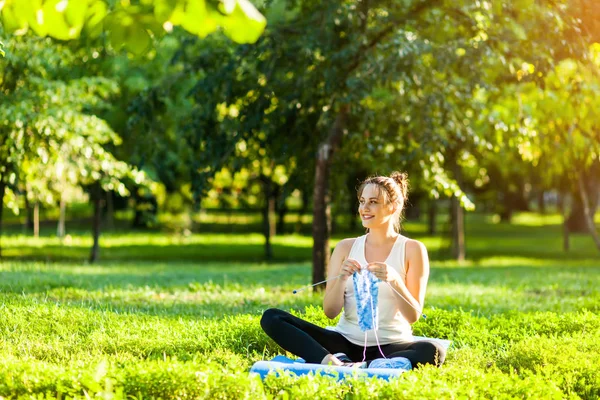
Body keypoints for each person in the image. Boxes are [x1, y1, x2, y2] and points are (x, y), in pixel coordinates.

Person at [260, 172, 445, 369]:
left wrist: (394, 281)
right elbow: (330, 312)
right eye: (362, 201)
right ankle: (331, 361)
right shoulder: (345, 248)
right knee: (272, 318)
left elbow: (413, 316)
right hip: (345, 342)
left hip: (392, 345)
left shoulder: (412, 249)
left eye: (373, 202)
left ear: (393, 206)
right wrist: (341, 279)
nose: (364, 208)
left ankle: (364, 364)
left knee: (433, 352)